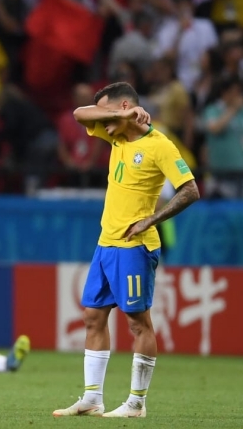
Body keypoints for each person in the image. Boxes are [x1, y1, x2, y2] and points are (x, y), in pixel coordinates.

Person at [53, 82, 200, 418]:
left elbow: (190, 190)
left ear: (123, 108)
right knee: (93, 317)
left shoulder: (159, 145)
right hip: (106, 244)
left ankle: (136, 403)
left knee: (138, 323)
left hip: (134, 246)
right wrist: (121, 115)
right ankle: (92, 398)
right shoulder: (115, 135)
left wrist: (153, 219)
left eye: (108, 113)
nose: (102, 123)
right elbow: (79, 114)